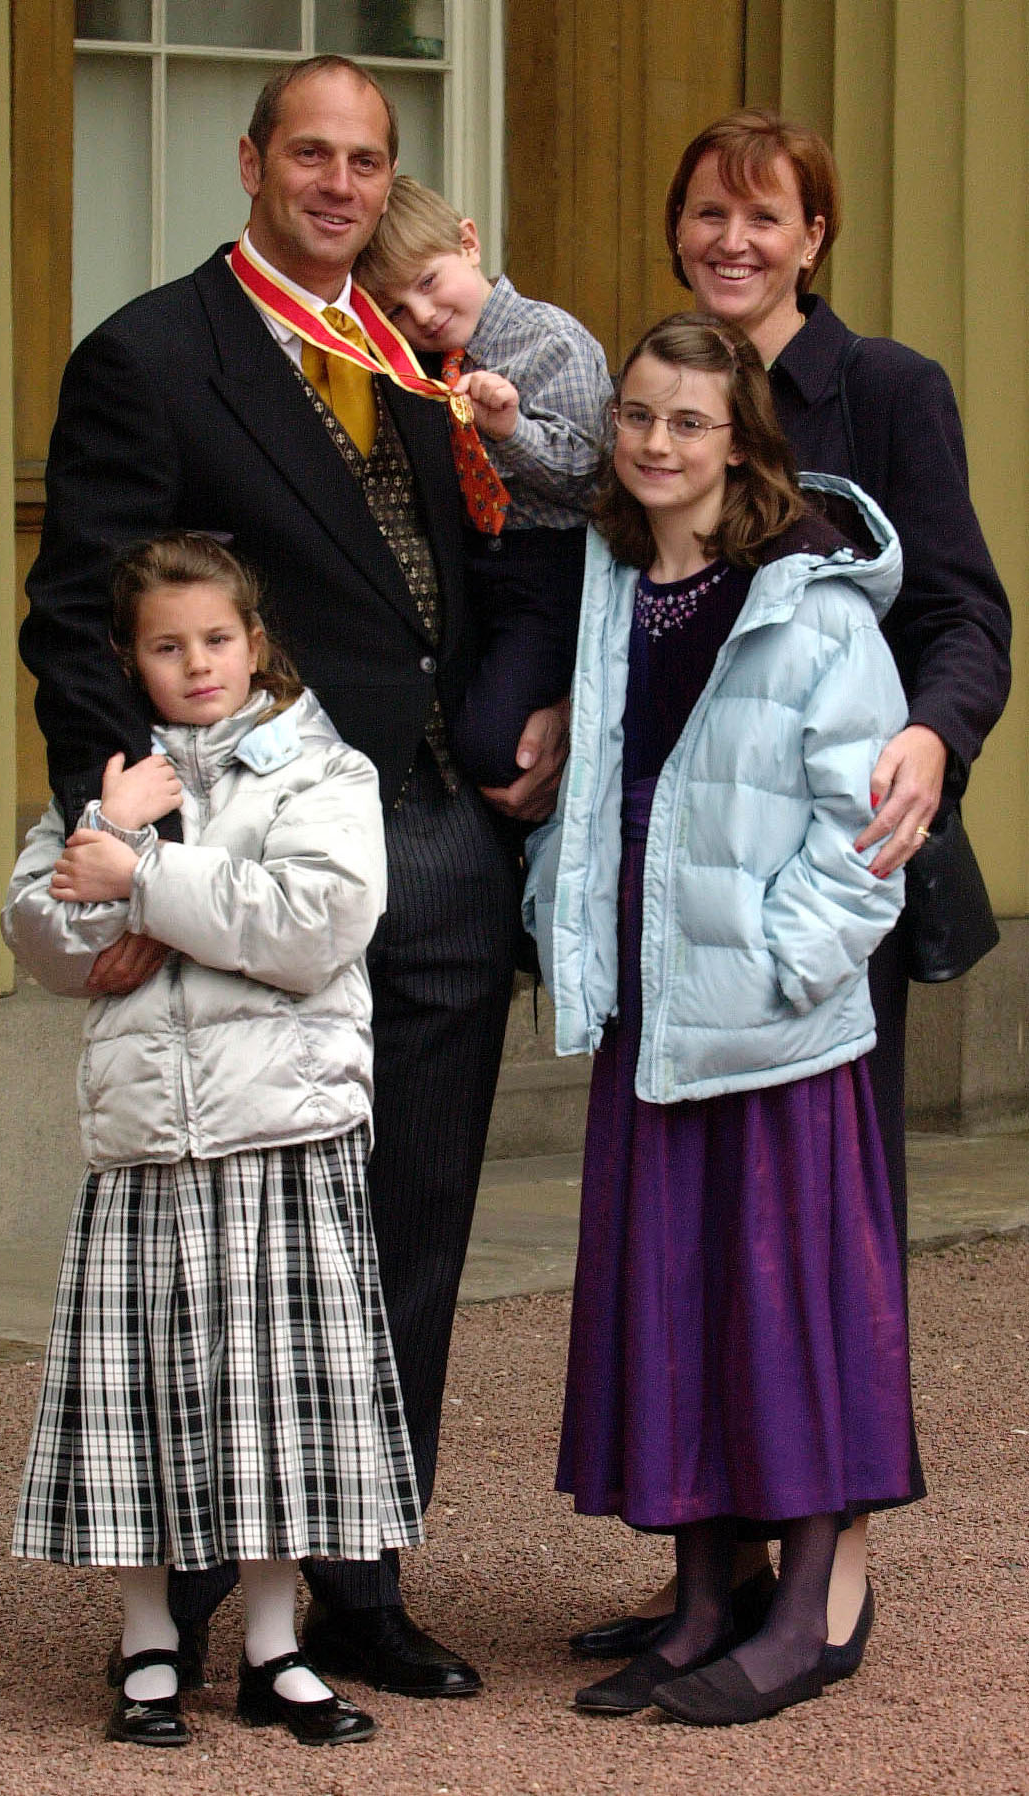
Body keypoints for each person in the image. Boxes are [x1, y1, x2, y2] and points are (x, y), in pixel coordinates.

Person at [17, 55, 568, 1700]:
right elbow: (78, 632)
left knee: (404, 1233)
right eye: (308, 154)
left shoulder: (408, 351)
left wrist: (522, 711)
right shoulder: (151, 356)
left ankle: (357, 1573)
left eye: (366, 159)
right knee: (226, 1246)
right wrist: (134, 878)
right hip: (250, 867)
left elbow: (476, 563)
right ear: (250, 163)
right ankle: (187, 1585)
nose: (337, 182)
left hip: (439, 844)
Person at [570, 107, 1011, 1676]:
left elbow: (961, 611)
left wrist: (927, 735)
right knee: (703, 1233)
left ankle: (830, 1580)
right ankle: (722, 1566)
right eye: (707, 213)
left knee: (816, 1231)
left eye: (766, 216)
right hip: (672, 904)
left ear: (815, 235)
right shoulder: (656, 401)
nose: (733, 239)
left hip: (832, 876)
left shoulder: (883, 392)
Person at [524, 314, 917, 1726]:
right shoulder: (609, 586)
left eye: (689, 421)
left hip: (773, 1026)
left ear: (741, 442)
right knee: (676, 1302)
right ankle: (702, 1604)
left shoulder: (810, 604)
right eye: (636, 414)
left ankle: (803, 1616)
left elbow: (865, 830)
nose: (655, 442)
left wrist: (780, 963)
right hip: (652, 1010)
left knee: (786, 1315)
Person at [5, 532, 416, 1749]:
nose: (197, 664)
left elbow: (312, 922)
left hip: (279, 1127)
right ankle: (147, 1644)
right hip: (145, 1137)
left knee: (273, 1405)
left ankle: (276, 1649)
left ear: (256, 640)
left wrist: (145, 878)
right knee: (142, 1402)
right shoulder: (108, 781)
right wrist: (119, 847)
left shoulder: (320, 770)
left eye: (217, 640)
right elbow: (39, 933)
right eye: (167, 645)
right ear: (133, 658)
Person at [354, 175, 612, 785]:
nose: (423, 314)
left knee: (492, 744)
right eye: (394, 309)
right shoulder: (415, 364)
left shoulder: (550, 341)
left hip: (550, 571)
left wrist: (512, 430)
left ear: (469, 242)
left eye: (428, 282)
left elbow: (595, 478)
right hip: (470, 570)